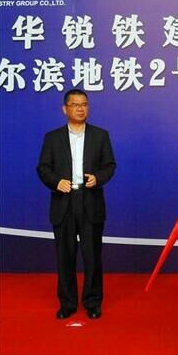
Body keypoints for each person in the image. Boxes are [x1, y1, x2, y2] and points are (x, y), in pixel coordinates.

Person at [36, 88, 116, 319]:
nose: (80, 109)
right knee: (65, 256)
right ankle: (68, 303)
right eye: (75, 104)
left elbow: (110, 165)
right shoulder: (53, 138)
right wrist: (55, 182)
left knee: (92, 256)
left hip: (90, 200)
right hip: (64, 201)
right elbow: (43, 167)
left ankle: (92, 302)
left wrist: (98, 178)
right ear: (65, 109)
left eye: (84, 104)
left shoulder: (100, 135)